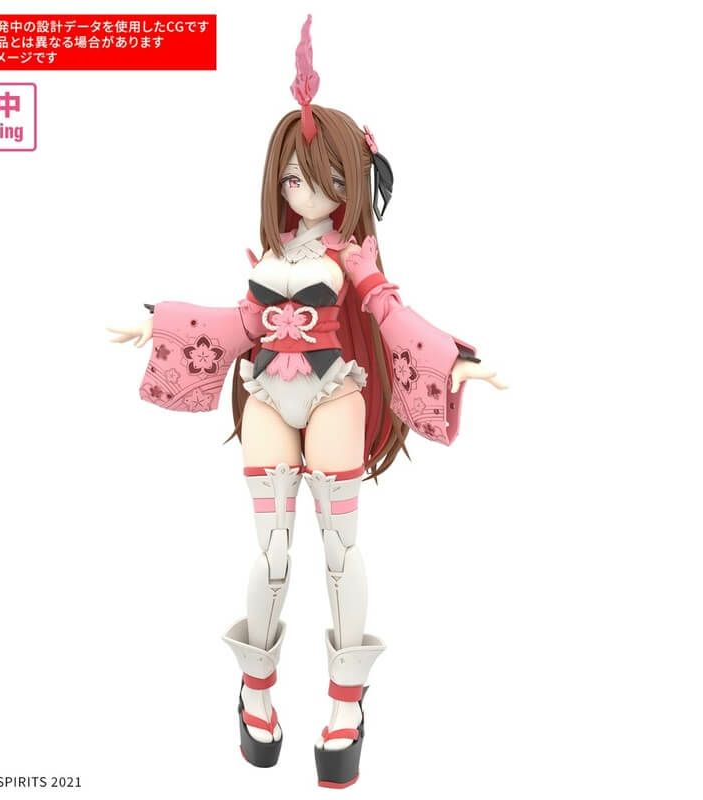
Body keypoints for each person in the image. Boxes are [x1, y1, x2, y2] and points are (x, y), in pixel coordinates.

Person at [107, 14, 505, 790]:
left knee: (339, 549)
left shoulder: (352, 255)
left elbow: (388, 313)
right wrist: (164, 321)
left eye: (325, 180)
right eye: (294, 179)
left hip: (333, 393)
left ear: (353, 182)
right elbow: (243, 322)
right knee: (272, 551)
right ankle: (255, 691)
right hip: (267, 390)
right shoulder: (275, 251)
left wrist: (451, 358)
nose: (308, 192)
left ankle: (345, 707)